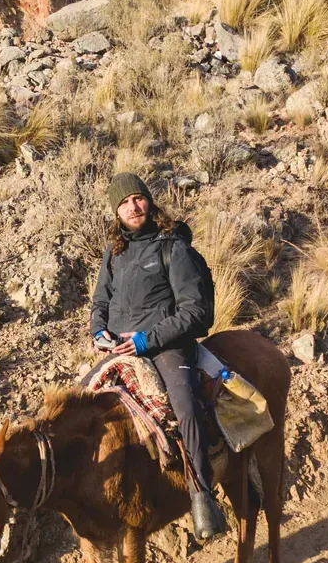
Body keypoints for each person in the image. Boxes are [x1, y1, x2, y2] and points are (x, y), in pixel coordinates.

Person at [89, 171, 228, 541]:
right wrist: (97, 330)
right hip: (118, 346)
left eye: (138, 198)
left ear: (149, 201)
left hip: (166, 343)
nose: (133, 207)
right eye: (123, 203)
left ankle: (201, 494)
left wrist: (145, 341)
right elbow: (100, 301)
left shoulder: (173, 247)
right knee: (81, 404)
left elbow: (195, 311)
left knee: (184, 405)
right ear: (115, 212)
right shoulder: (114, 252)